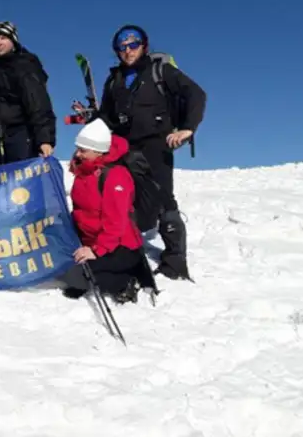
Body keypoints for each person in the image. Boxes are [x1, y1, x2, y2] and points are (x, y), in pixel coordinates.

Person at [98, 25, 206, 281]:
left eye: (133, 45)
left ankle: (175, 262)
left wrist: (188, 127)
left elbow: (196, 94)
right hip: (125, 147)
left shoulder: (161, 70)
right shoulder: (114, 80)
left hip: (157, 144)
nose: (128, 51)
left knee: (163, 198)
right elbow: (106, 116)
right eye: (122, 48)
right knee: (122, 198)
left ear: (144, 46)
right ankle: (126, 252)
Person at [60, 119, 157, 303]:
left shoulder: (115, 176)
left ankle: (127, 280)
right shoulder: (83, 171)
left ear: (99, 151)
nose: (77, 154)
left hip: (119, 246)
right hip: (91, 240)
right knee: (64, 267)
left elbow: (116, 223)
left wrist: (96, 250)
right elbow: (82, 210)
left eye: (83, 150)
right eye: (78, 148)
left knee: (78, 277)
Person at [0, 21, 56, 164]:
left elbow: (37, 103)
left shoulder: (24, 66)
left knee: (21, 182)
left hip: (22, 133)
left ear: (13, 41)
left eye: (3, 38)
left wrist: (44, 139)